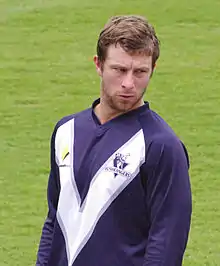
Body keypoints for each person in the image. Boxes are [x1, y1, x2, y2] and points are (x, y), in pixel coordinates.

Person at [36, 15, 192, 266]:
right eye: (119, 70)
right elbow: (54, 219)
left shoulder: (161, 146)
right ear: (98, 64)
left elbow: (166, 244)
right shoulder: (66, 131)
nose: (129, 83)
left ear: (153, 69)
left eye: (140, 72)